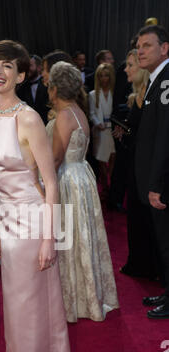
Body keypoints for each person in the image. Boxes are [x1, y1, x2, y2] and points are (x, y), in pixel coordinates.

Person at [0, 40, 74, 352]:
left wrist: (49, 239)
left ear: (21, 75)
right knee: (17, 317)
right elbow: (1, 182)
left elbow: (50, 183)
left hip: (35, 224)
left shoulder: (29, 118)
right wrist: (0, 228)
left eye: (7, 66)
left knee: (36, 315)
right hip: (11, 224)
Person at [46, 61, 118, 322]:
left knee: (70, 238)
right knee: (80, 237)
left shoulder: (64, 116)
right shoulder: (78, 110)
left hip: (67, 178)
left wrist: (41, 185)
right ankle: (86, 294)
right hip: (81, 176)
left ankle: (74, 301)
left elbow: (54, 159)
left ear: (54, 89)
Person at [134, 25, 169, 319]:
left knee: (168, 243)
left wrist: (156, 183)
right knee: (162, 242)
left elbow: (165, 137)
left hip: (163, 183)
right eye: (138, 46)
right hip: (156, 180)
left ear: (164, 48)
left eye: (147, 45)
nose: (140, 51)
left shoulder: (167, 80)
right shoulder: (157, 80)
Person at [115, 50, 157, 279]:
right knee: (137, 217)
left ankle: (147, 266)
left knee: (144, 218)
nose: (126, 69)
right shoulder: (138, 94)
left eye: (130, 65)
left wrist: (128, 132)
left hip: (146, 167)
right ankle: (140, 263)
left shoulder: (150, 95)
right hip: (135, 163)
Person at [89, 63, 116, 199]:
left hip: (112, 130)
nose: (104, 78)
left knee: (112, 157)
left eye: (106, 75)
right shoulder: (93, 94)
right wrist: (97, 123)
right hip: (101, 131)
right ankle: (105, 186)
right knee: (101, 160)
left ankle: (109, 185)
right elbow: (92, 113)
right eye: (101, 76)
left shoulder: (114, 93)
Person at [17, 54, 49, 123]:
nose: (27, 69)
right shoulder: (21, 87)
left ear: (39, 67)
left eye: (30, 65)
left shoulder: (47, 84)